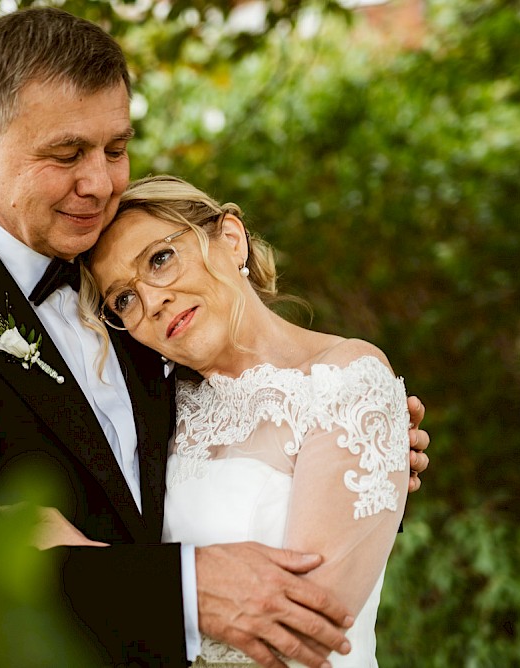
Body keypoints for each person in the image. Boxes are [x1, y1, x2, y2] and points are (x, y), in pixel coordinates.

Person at [0, 8, 430, 667]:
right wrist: (185, 592)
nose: (98, 182)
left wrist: (362, 458)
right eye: (66, 155)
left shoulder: (139, 297)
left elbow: (239, 459)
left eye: (115, 149)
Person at [64, 174, 411, 666]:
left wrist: (83, 561)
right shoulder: (157, 417)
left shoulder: (347, 380)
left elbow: (306, 630)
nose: (152, 300)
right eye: (123, 299)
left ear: (230, 239)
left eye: (159, 259)